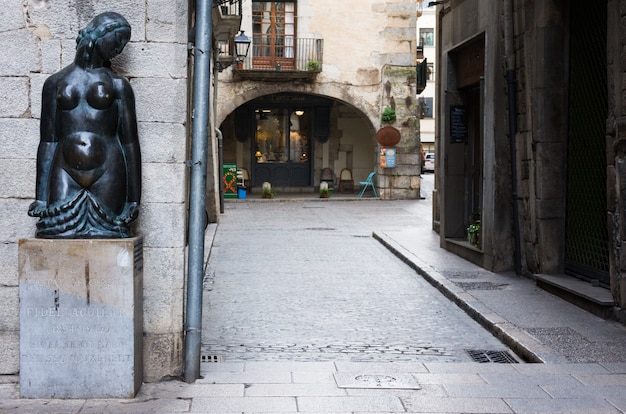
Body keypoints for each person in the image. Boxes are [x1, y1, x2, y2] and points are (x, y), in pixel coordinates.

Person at [28, 12, 141, 238]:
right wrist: (40, 197)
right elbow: (48, 141)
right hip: (64, 170)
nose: (119, 48)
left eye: (123, 44)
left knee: (111, 233)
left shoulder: (118, 85)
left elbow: (129, 143)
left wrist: (133, 199)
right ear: (100, 33)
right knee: (54, 232)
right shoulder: (54, 83)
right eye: (118, 39)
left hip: (108, 169)